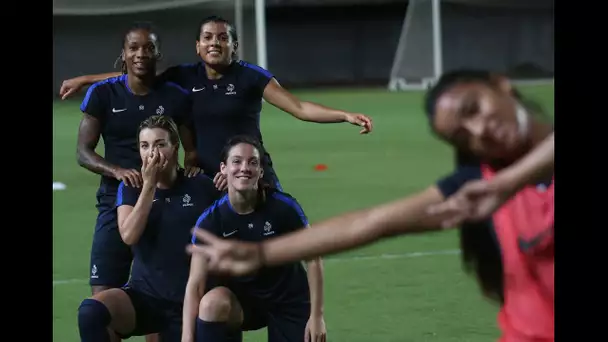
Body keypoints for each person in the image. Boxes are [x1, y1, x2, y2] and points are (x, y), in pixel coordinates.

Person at [188, 70, 554, 342]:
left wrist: (510, 181)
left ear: (501, 84)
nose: (480, 129)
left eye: (475, 107)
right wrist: (261, 254)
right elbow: (371, 222)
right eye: (461, 135)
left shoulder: (493, 186)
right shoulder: (475, 186)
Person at [59, 15, 373, 191]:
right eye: (208, 37)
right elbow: (137, 72)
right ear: (198, 46)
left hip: (250, 173)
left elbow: (300, 108)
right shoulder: (183, 76)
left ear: (234, 46)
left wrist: (344, 115)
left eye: (223, 38)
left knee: (274, 249)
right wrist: (86, 80)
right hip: (203, 179)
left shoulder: (250, 76)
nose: (215, 43)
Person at [77, 115, 220, 342]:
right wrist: (149, 186)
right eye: (145, 146)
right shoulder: (132, 187)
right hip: (146, 297)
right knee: (91, 312)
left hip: (190, 301)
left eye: (160, 144)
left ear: (175, 147)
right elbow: (129, 235)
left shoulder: (201, 185)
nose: (152, 153)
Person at [183, 135, 326, 342]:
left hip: (288, 301)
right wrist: (186, 338)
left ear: (260, 171)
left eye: (252, 163)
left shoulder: (283, 207)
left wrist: (317, 316)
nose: (244, 168)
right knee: (211, 303)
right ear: (223, 168)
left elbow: (314, 258)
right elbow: (195, 285)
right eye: (237, 161)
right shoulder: (210, 220)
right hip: (243, 303)